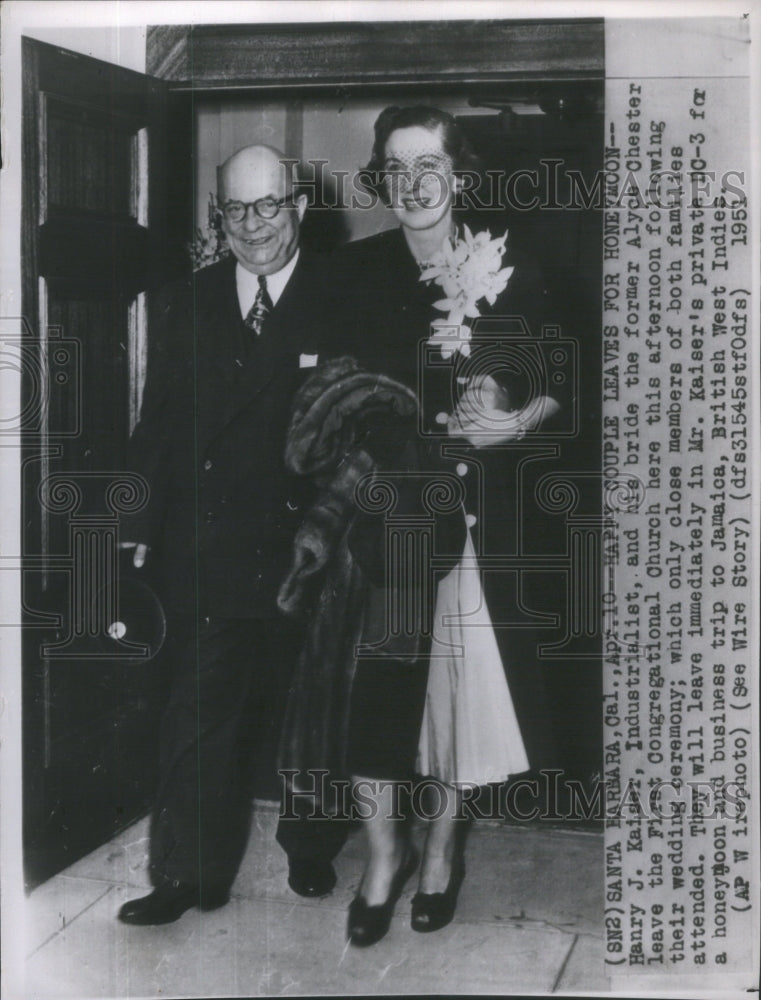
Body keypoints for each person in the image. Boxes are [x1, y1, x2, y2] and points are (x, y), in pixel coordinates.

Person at [311, 105, 571, 944]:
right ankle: (383, 856)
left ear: (457, 173)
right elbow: (322, 403)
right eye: (397, 166)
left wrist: (518, 420)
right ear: (381, 180)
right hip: (387, 520)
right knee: (378, 693)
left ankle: (441, 851)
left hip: (473, 514)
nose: (415, 183)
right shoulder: (350, 273)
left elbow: (564, 376)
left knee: (456, 697)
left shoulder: (512, 264)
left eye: (431, 164)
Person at [116, 144, 344, 926]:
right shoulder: (188, 299)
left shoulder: (342, 295)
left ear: (299, 208)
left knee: (307, 712)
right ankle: (185, 873)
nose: (251, 225)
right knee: (198, 712)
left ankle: (311, 849)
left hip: (310, 547)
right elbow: (161, 423)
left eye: (268, 205)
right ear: (221, 217)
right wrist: (137, 521)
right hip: (211, 547)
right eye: (235, 210)